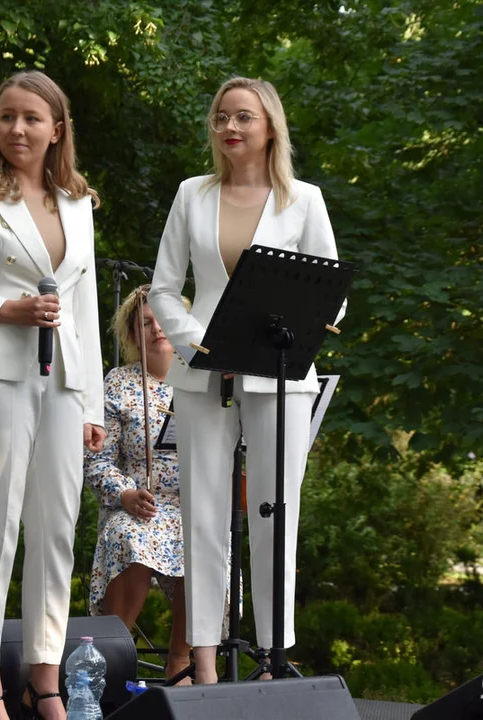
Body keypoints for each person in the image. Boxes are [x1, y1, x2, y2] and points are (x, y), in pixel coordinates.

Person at [148, 76, 346, 684]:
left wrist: (294, 323)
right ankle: (203, 661)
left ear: (269, 129)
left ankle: (272, 659)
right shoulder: (191, 194)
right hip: (204, 372)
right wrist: (197, 342)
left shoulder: (304, 200)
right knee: (202, 513)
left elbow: (331, 296)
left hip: (281, 374)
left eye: (243, 117)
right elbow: (162, 289)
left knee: (274, 512)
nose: (230, 127)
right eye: (220, 118)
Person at [0, 70, 105, 720]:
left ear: (56, 128)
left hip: (61, 380)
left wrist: (88, 403)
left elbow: (83, 304)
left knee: (56, 531)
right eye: (6, 116)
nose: (16, 129)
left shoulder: (76, 200)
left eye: (31, 118)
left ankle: (46, 680)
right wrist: (4, 309)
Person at [84, 285, 192, 684]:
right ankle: (107, 657)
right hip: (137, 504)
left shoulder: (201, 379)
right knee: (132, 538)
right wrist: (124, 494)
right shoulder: (118, 382)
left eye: (162, 318)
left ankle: (182, 662)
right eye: (144, 322)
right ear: (132, 335)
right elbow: (97, 458)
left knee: (209, 545)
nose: (156, 328)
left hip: (193, 505)